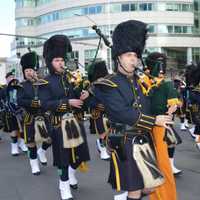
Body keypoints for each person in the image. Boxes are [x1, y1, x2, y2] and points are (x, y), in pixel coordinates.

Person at [93, 20, 173, 200]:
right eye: (129, 55)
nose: (133, 59)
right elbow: (122, 113)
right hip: (124, 140)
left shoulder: (140, 81)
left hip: (144, 139)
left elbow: (148, 106)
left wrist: (165, 104)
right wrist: (154, 121)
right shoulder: (108, 83)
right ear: (118, 57)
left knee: (148, 187)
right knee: (135, 190)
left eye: (136, 56)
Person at [43, 35, 90, 200]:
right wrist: (67, 102)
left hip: (76, 123)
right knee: (63, 159)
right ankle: (63, 185)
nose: (61, 63)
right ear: (50, 62)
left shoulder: (73, 78)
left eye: (62, 59)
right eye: (56, 60)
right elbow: (45, 104)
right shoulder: (45, 81)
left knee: (79, 155)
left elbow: (81, 100)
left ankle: (71, 174)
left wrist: (84, 95)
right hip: (58, 125)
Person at [17, 51, 52, 175]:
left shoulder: (43, 83)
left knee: (49, 138)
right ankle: (34, 164)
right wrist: (32, 103)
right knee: (31, 143)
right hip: (29, 117)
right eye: (26, 72)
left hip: (43, 116)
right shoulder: (21, 86)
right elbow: (19, 100)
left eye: (31, 70)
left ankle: (42, 151)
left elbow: (49, 97)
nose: (29, 73)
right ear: (24, 73)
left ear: (35, 71)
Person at [88, 61, 110, 160]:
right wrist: (97, 104)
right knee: (102, 130)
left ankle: (103, 145)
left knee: (109, 129)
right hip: (97, 110)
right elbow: (89, 101)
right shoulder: (92, 86)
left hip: (108, 109)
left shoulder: (108, 81)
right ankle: (103, 150)